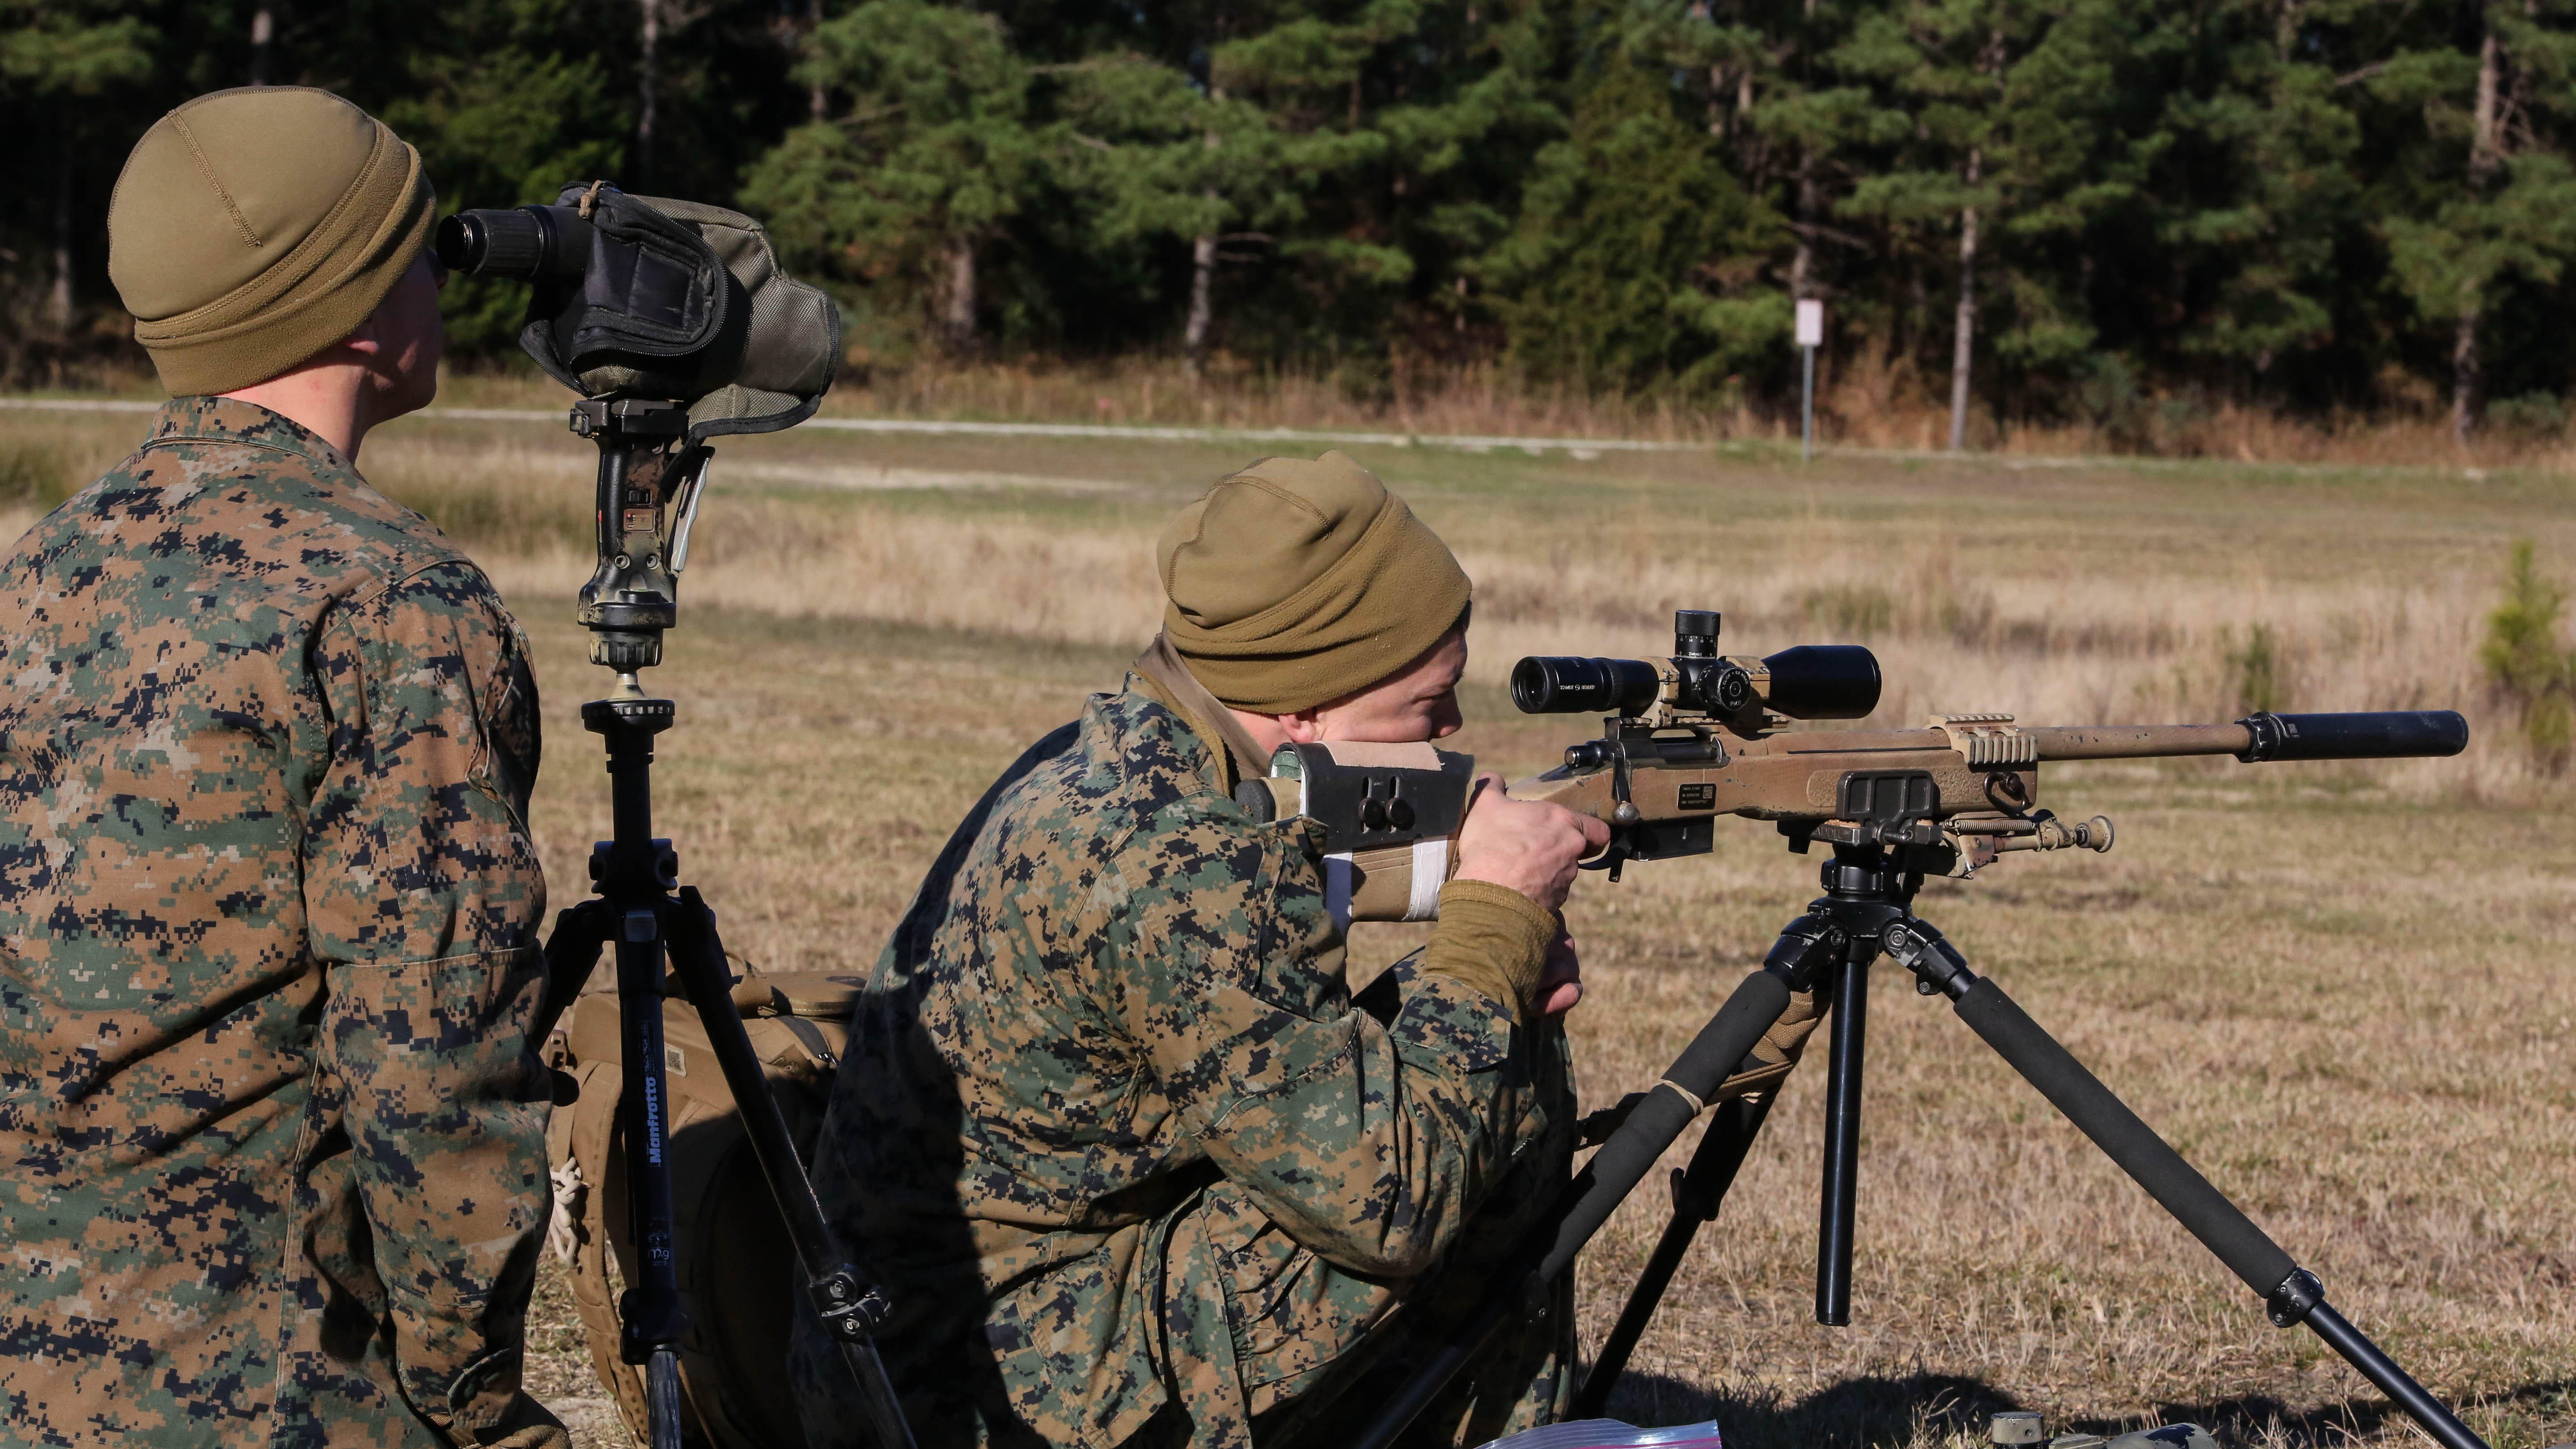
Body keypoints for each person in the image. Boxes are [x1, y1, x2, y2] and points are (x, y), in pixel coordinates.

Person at [791, 452, 1611, 1449]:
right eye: (1425, 706)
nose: (1453, 728)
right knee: (1483, 1085)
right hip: (984, 1390)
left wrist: (1475, 908)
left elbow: (1277, 901)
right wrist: (1495, 923)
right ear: (1307, 701)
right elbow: (1392, 1203)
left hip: (904, 1335)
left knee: (1470, 1030)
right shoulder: (1186, 857)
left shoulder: (1127, 749)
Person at [0, 88, 561, 1448]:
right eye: (421, 251)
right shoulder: (389, 606)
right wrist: (473, 1401)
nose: (443, 281)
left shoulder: (50, 566)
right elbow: (436, 1064)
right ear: (363, 310)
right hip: (278, 1385)